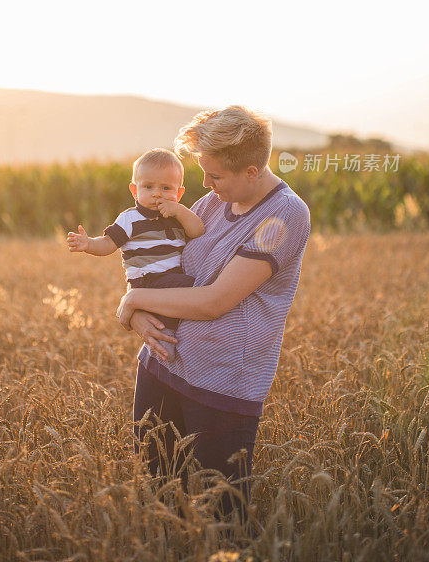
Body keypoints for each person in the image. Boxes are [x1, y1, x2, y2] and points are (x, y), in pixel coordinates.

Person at [115, 105, 311, 536]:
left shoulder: (283, 216)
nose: (204, 185)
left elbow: (215, 302)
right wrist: (140, 311)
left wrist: (131, 301)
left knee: (222, 519)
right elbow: (156, 261)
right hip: (161, 365)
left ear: (253, 171)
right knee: (159, 503)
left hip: (222, 385)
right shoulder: (217, 200)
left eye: (215, 175)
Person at [66, 148, 205, 360]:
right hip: (147, 280)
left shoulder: (177, 216)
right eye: (148, 187)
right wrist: (88, 244)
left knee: (181, 300)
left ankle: (175, 340)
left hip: (170, 278)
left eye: (166, 188)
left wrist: (180, 210)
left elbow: (198, 231)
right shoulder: (130, 219)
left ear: (178, 193)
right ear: (134, 190)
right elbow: (108, 243)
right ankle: (166, 346)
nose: (157, 193)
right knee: (195, 288)